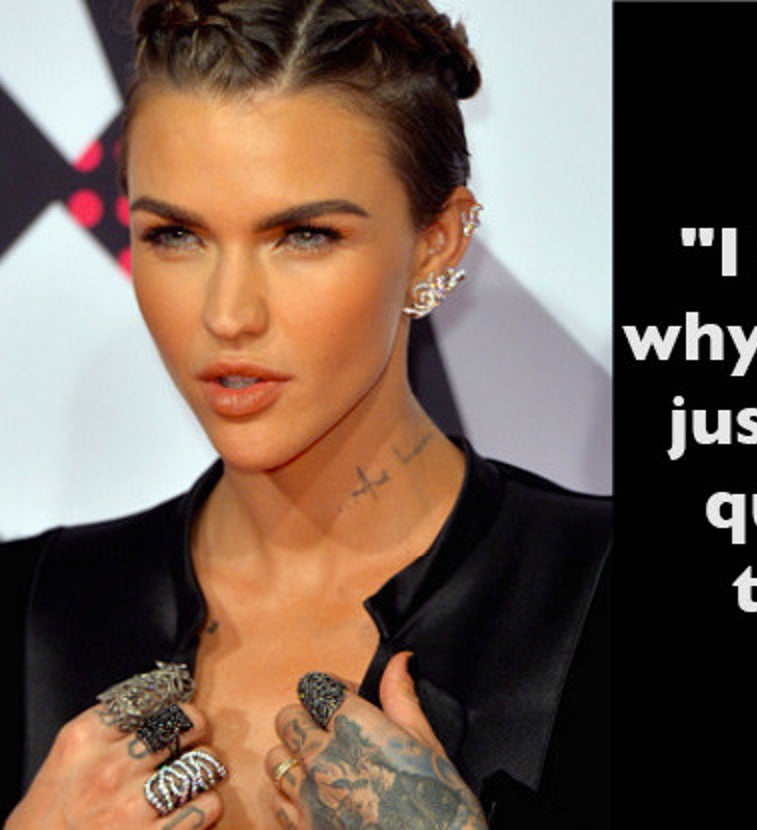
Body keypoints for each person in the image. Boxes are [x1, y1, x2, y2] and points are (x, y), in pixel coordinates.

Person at [0, 1, 611, 827]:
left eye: (305, 235)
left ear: (437, 240)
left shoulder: (591, 589)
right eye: (176, 234)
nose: (228, 314)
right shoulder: (30, 609)